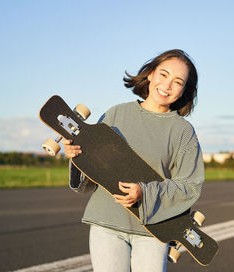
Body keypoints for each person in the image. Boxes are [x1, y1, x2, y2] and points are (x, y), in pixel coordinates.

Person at [62, 49, 204, 272]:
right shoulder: (116, 115)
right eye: (163, 75)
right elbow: (89, 180)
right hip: (106, 223)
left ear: (184, 90)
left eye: (178, 82)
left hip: (152, 230)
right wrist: (76, 156)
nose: (167, 86)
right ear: (150, 74)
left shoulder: (183, 132)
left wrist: (144, 193)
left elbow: (190, 186)